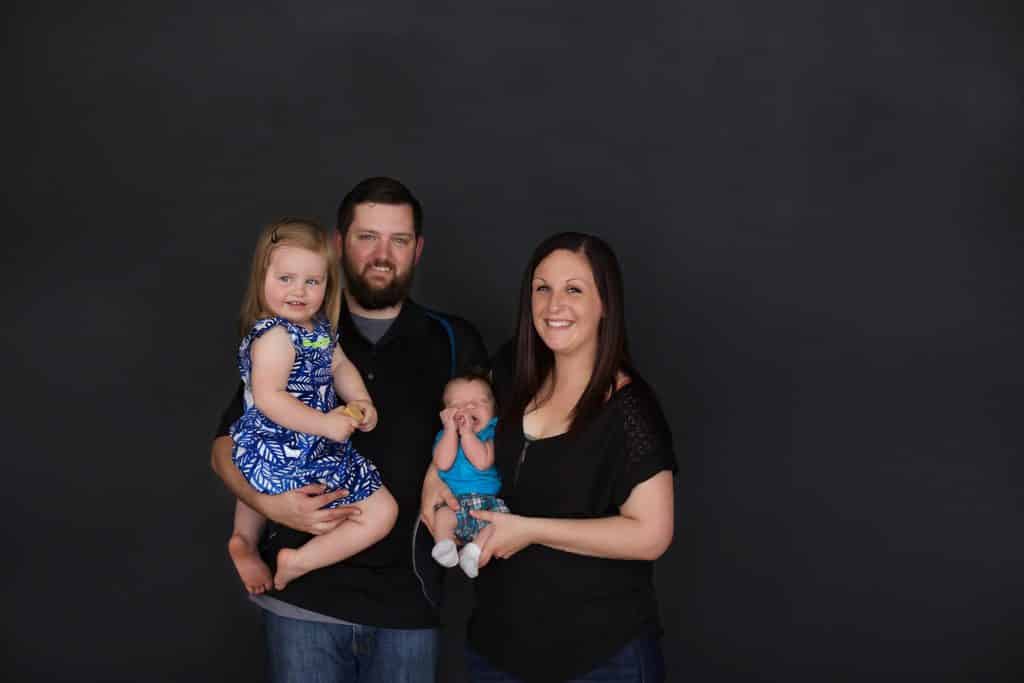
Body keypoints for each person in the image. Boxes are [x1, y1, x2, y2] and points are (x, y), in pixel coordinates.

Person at [211, 177, 488, 683]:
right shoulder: (288, 333)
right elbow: (230, 444)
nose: (382, 254)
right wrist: (270, 510)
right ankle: (254, 545)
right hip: (304, 604)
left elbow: (485, 439)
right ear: (339, 244)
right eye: (367, 237)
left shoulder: (452, 339)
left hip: (409, 605)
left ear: (417, 249)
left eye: (398, 240)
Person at [422, 232, 677, 682]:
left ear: (605, 304)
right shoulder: (510, 372)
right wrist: (433, 482)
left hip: (600, 658)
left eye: (574, 289)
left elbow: (651, 535)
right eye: (543, 288)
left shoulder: (630, 411)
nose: (553, 304)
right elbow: (463, 423)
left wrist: (530, 530)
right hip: (497, 651)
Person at [226, 218, 397, 595]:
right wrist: (323, 424)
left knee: (381, 513)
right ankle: (249, 542)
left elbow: (340, 366)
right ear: (262, 278)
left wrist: (360, 400)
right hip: (286, 440)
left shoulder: (318, 331)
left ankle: (288, 556)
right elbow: (269, 398)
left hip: (311, 442)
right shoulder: (273, 336)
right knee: (261, 472)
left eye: (312, 282)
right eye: (285, 279)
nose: (298, 291)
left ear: (327, 285)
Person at [429, 369, 508, 579]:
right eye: (457, 405)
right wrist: (449, 432)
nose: (467, 408)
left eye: (478, 402)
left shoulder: (492, 433)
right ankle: (444, 545)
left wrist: (468, 434)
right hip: (455, 502)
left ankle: (473, 551)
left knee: (502, 523)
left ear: (493, 411)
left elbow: (482, 461)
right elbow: (442, 463)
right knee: (442, 516)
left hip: (488, 503)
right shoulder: (444, 436)